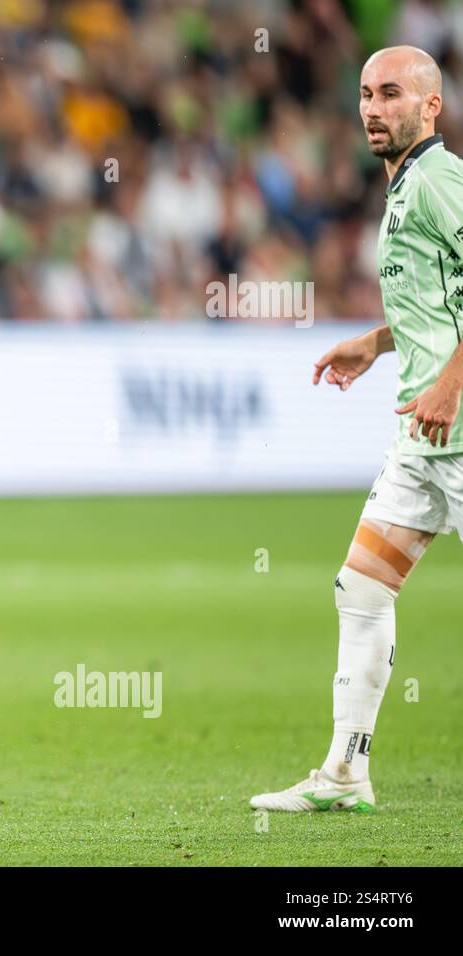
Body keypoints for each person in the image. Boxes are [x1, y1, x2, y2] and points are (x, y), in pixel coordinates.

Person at [252, 46, 463, 813]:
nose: (374, 108)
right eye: (367, 95)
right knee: (363, 588)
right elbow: (438, 299)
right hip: (425, 436)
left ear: (430, 107)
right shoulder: (405, 185)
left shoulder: (440, 180)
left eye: (393, 94)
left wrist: (449, 383)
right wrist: (375, 345)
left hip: (456, 426)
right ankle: (345, 775)